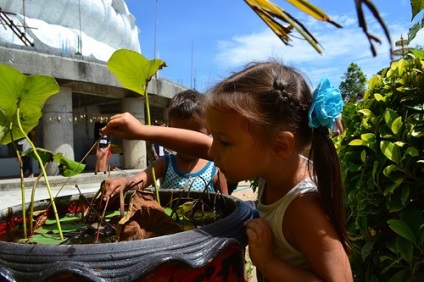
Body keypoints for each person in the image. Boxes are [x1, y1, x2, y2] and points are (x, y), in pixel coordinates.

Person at [101, 61, 352, 281]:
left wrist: (268, 263)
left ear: (280, 145)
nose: (211, 152)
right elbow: (197, 143)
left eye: (224, 141)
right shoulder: (274, 167)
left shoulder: (303, 208)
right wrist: (141, 131)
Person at [102, 89, 229, 198]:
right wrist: (124, 182)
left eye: (193, 134)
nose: (186, 142)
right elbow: (137, 181)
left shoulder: (215, 167)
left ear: (209, 130)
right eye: (178, 134)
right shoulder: (165, 164)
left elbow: (227, 203)